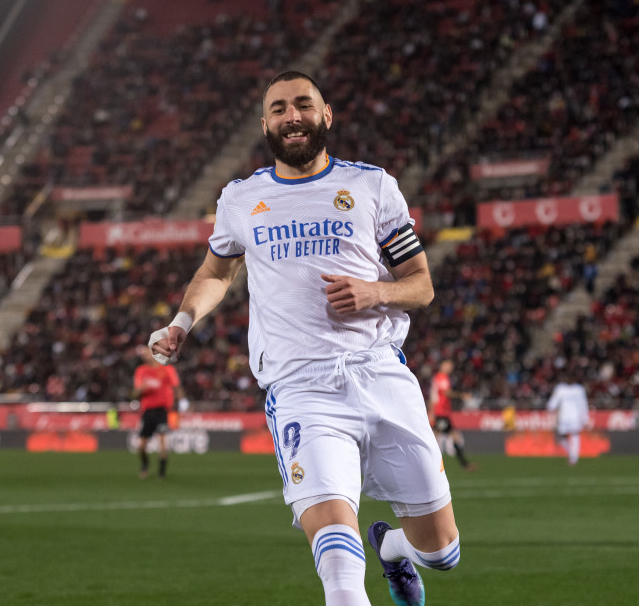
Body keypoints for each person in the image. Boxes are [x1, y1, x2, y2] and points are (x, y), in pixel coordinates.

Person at [149, 71, 461, 605]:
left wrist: (374, 292)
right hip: (302, 390)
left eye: (303, 105)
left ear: (326, 115)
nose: (292, 116)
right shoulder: (241, 199)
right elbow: (216, 274)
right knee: (339, 573)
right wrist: (181, 321)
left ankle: (394, 552)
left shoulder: (372, 186)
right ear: (265, 123)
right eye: (279, 108)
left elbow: (423, 286)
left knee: (441, 552)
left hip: (382, 374)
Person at [132, 344, 187, 479]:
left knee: (162, 441)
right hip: (147, 411)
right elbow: (134, 394)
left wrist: (183, 401)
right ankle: (145, 465)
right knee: (141, 446)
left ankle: (161, 472)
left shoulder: (167, 369)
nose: (145, 356)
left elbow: (176, 386)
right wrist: (141, 389)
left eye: (147, 353)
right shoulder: (141, 371)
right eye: (143, 355)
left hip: (162, 410)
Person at [428, 360, 478, 472]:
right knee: (435, 437)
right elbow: (446, 393)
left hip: (442, 412)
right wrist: (462, 395)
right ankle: (428, 464)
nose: (450, 368)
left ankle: (464, 464)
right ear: (442, 366)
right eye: (448, 366)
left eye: (451, 366)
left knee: (450, 435)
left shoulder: (439, 378)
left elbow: (434, 395)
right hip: (440, 412)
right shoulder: (442, 378)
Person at [546, 371, 590, 466]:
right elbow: (552, 404)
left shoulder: (577, 389)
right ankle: (572, 454)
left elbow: (583, 405)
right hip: (566, 417)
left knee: (574, 435)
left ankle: (573, 457)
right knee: (563, 437)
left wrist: (585, 419)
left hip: (571, 417)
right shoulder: (562, 389)